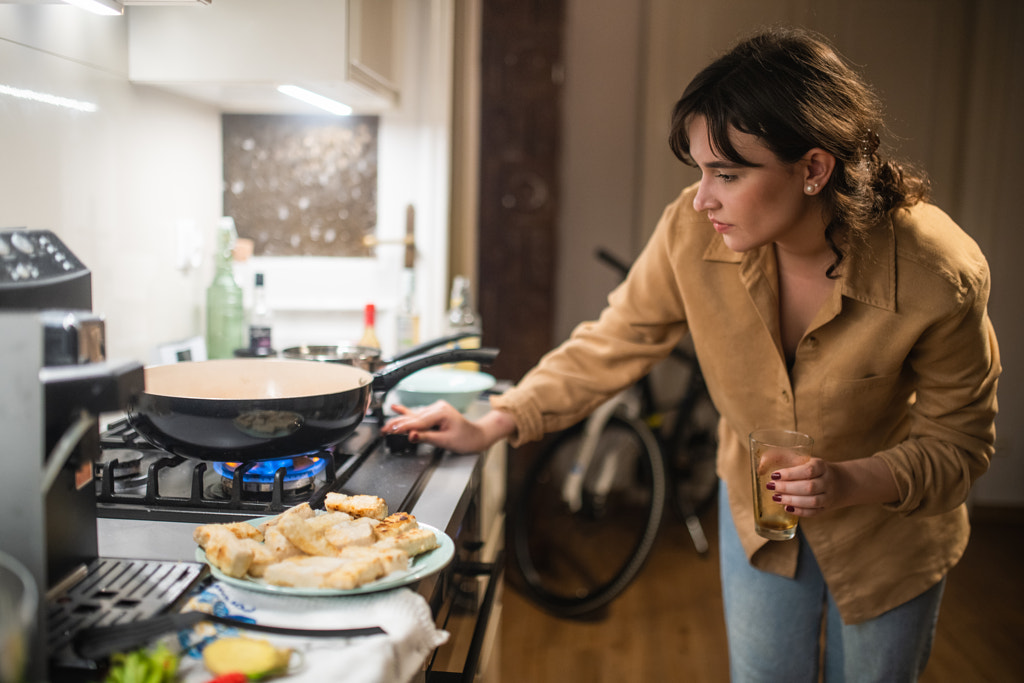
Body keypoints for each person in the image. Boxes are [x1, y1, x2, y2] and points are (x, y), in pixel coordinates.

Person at [384, 26, 1000, 683]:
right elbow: (614, 338)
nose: (702, 197)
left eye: (728, 174)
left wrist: (850, 479)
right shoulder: (690, 229)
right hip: (760, 521)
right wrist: (493, 421)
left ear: (814, 169)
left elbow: (960, 442)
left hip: (890, 536)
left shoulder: (937, 269)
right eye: (701, 171)